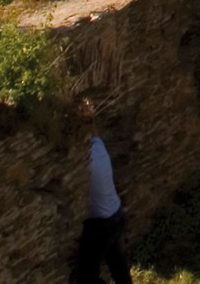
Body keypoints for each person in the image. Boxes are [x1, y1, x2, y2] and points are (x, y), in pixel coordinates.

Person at [74, 105, 133, 284]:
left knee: (86, 277)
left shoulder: (83, 160)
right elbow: (95, 131)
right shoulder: (98, 146)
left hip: (101, 224)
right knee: (119, 266)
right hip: (116, 213)